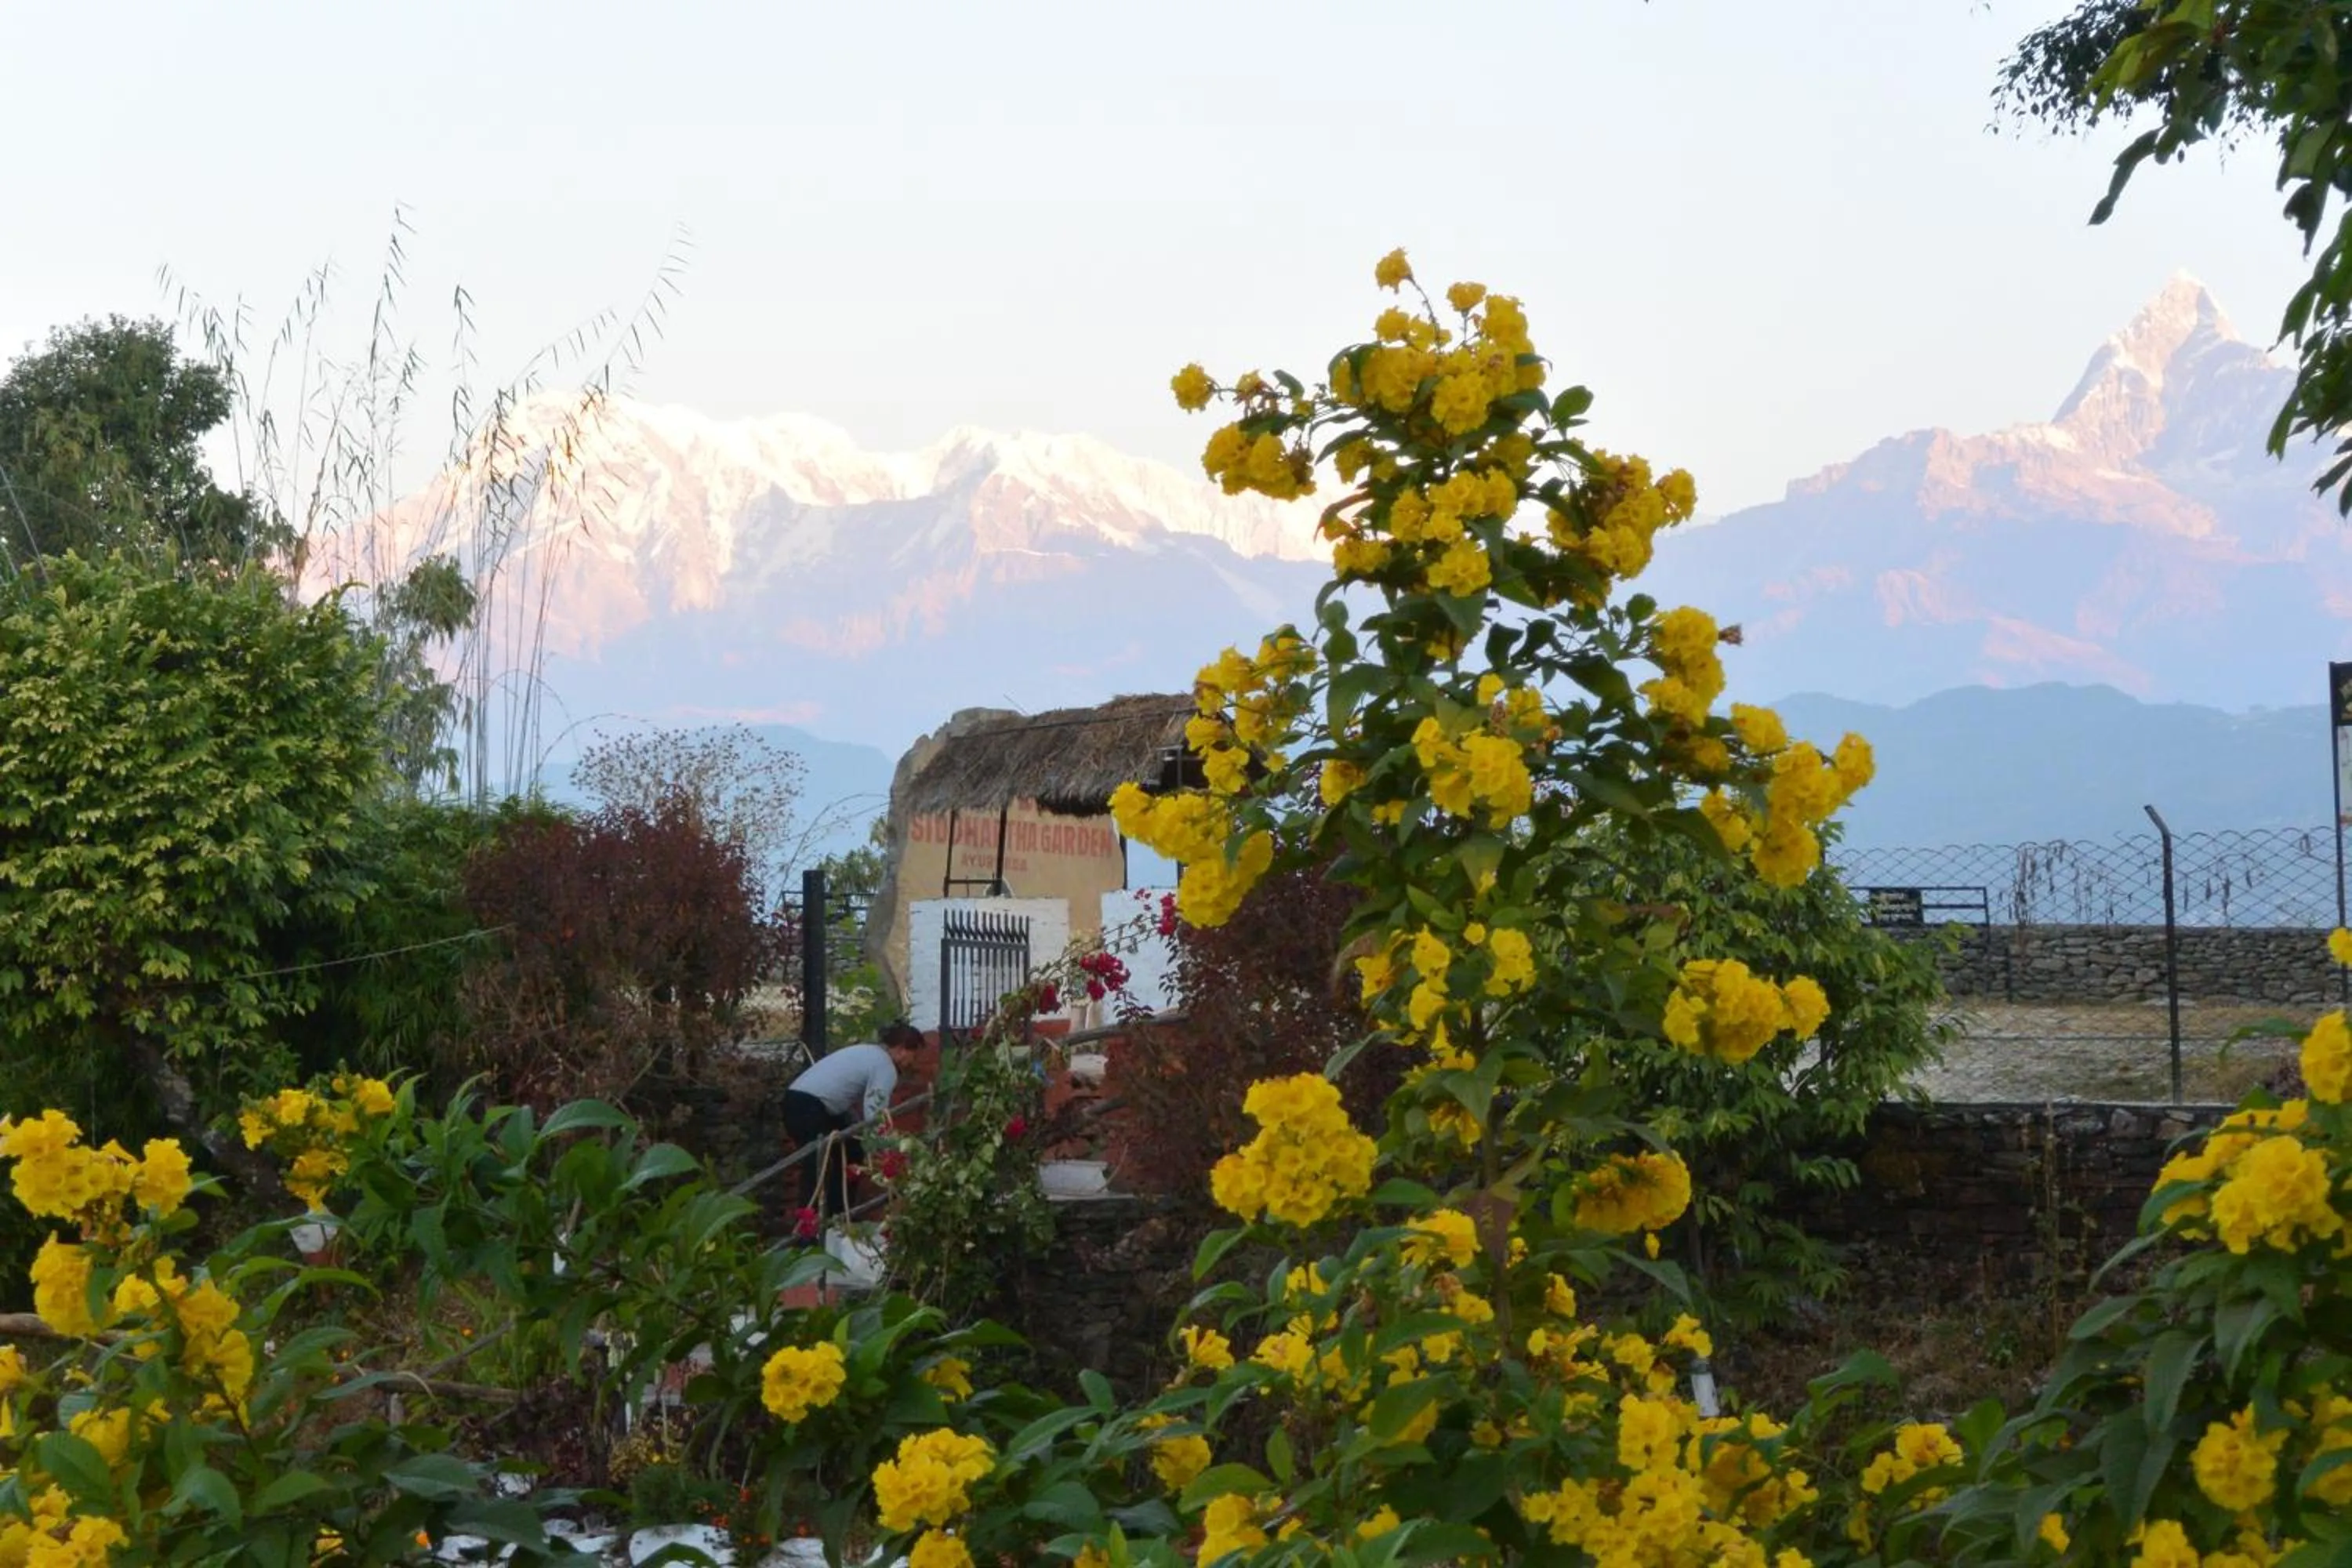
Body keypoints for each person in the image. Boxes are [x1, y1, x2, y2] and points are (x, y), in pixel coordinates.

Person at [784, 1022, 924, 1225]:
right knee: (817, 1165)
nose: (913, 1063)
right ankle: (812, 1229)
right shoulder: (885, 1066)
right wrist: (884, 1149)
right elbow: (875, 1111)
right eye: (914, 1056)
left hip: (803, 1100)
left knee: (851, 1150)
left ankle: (838, 1217)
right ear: (902, 1049)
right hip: (809, 1106)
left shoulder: (870, 1053)